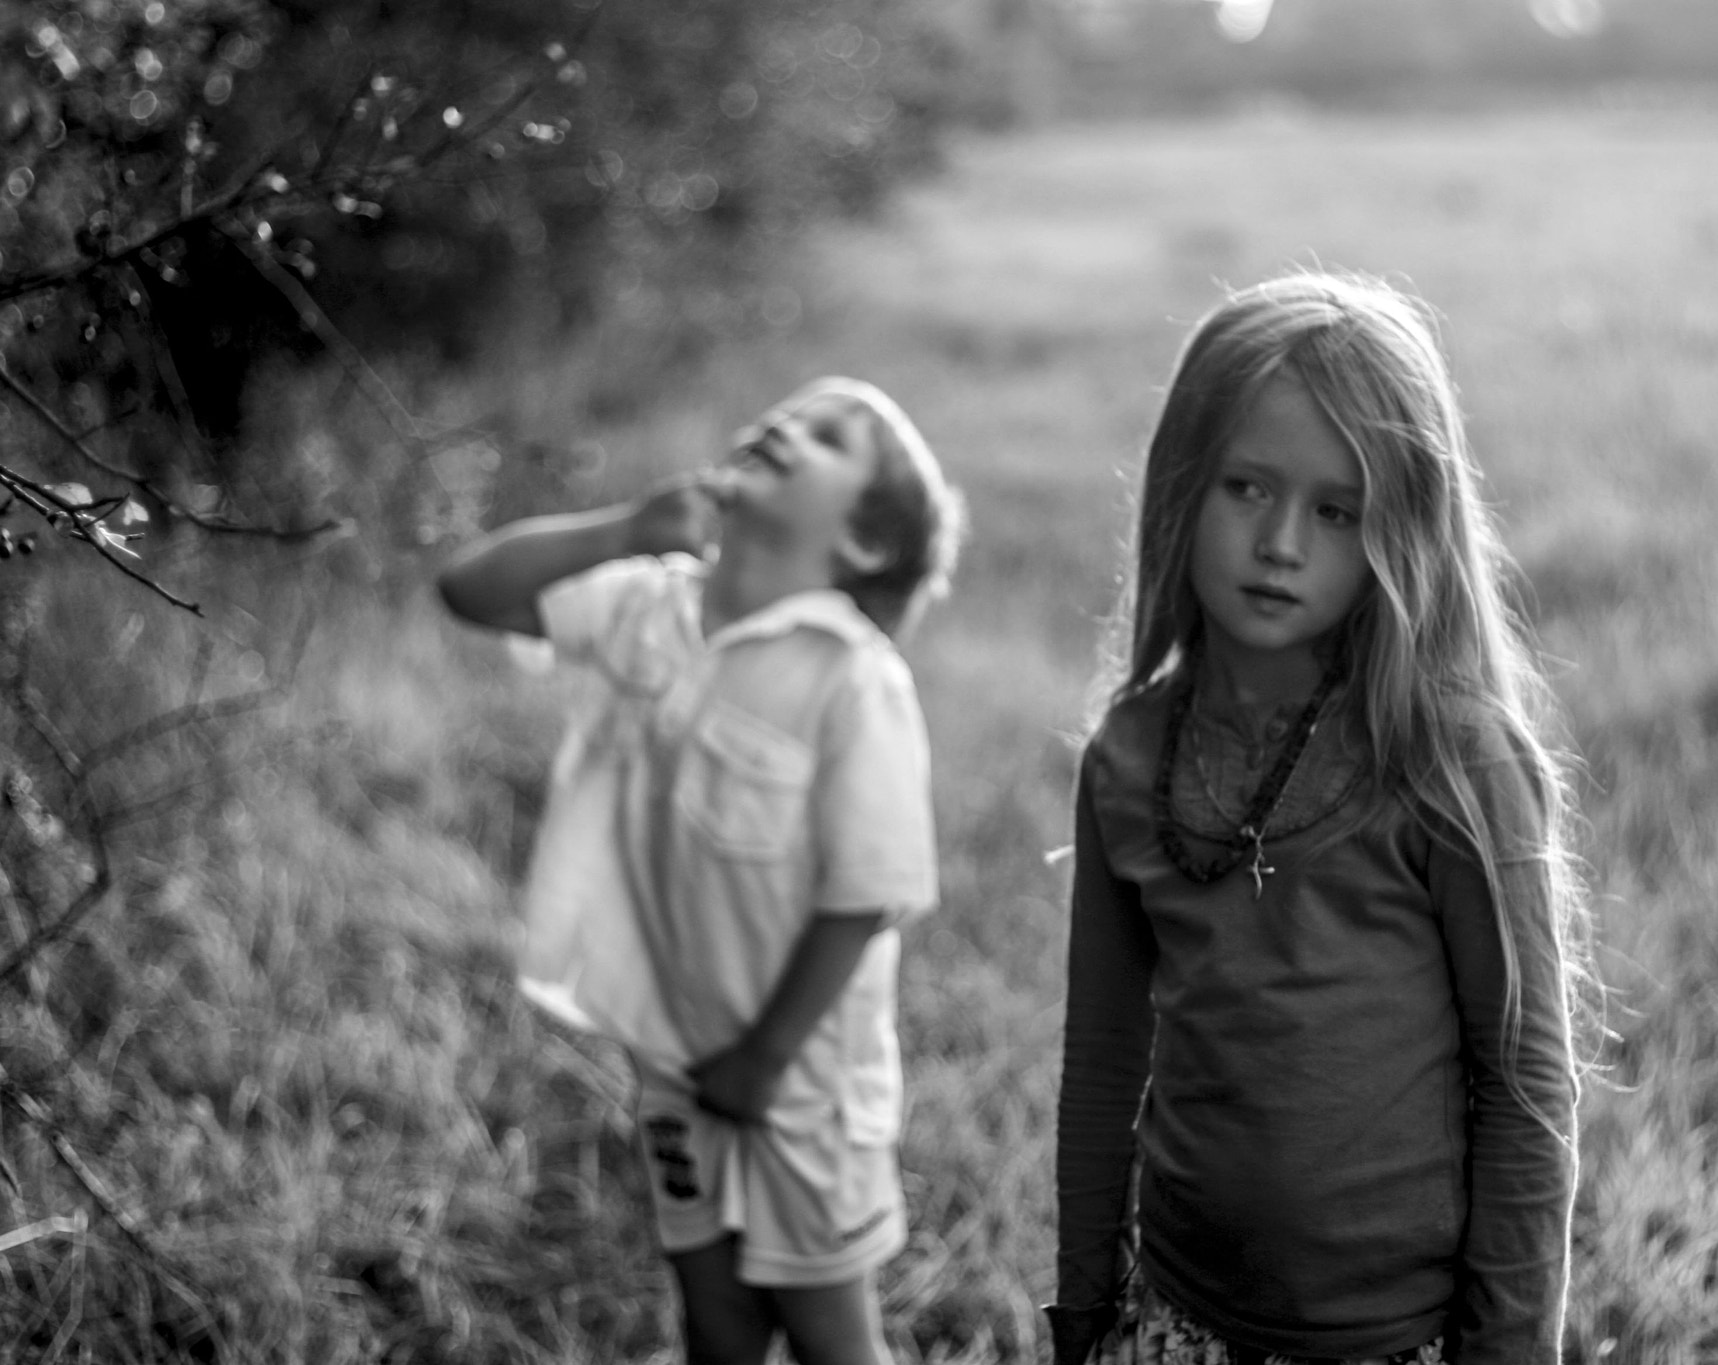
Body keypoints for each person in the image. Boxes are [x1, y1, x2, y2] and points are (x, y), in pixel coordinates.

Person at [1050, 271, 1598, 1365]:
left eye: (1335, 510)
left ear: (1401, 529)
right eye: (1245, 487)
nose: (1281, 543)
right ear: (1178, 486)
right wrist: (1079, 1311)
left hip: (1393, 1341)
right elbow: (1105, 1055)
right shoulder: (1128, 754)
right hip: (1177, 1320)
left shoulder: (1448, 758)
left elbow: (1522, 1082)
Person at [438, 376, 964, 1365]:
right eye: (786, 411)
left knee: (825, 1330)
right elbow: (470, 591)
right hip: (672, 1050)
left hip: (797, 1081)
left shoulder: (849, 678)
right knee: (712, 1315)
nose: (783, 422)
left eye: (824, 436)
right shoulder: (652, 606)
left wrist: (761, 1061)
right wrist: (622, 530)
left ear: (862, 543)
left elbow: (867, 895)